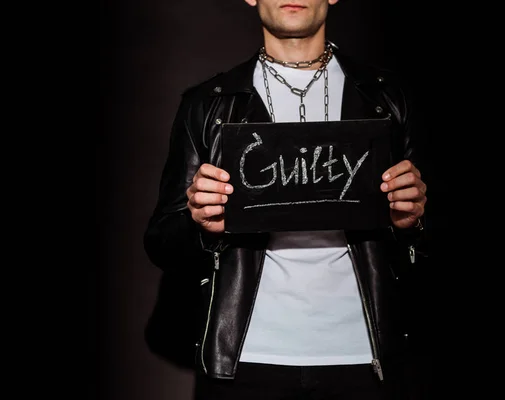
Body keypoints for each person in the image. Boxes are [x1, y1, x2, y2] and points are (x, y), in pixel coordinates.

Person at [143, 0, 429, 398]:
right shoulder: (209, 104)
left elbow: (430, 239)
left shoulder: (387, 97)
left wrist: (413, 220)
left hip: (364, 358)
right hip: (247, 357)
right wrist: (199, 224)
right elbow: (162, 242)